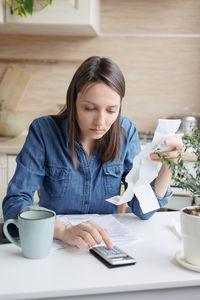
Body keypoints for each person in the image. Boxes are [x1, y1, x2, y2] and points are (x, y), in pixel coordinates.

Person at [2, 56, 183, 250]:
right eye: (89, 109)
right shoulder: (44, 131)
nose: (100, 122)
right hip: (55, 245)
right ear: (73, 102)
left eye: (111, 110)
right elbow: (15, 203)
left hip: (105, 246)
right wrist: (63, 230)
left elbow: (144, 211)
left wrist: (167, 167)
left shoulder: (126, 131)